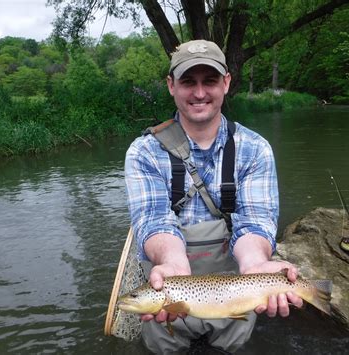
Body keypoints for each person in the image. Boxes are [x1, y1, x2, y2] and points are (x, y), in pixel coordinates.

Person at [125, 39, 303, 354]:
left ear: (226, 82)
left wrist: (255, 264)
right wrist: (171, 264)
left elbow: (255, 223)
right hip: (168, 277)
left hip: (235, 289)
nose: (199, 93)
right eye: (188, 82)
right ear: (171, 85)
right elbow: (153, 220)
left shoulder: (255, 149)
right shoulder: (145, 152)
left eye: (209, 81)